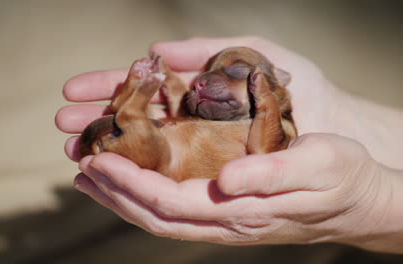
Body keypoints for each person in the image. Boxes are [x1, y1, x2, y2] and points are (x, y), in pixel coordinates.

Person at [55, 37, 403, 254]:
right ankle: (131, 103)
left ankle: (132, 105)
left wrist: (266, 101)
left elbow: (263, 146)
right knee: (141, 127)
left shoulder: (281, 129)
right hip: (156, 141)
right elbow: (181, 114)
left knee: (141, 131)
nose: (204, 84)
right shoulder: (216, 118)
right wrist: (175, 84)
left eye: (236, 72)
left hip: (160, 151)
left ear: (277, 82)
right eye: (201, 82)